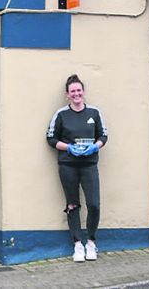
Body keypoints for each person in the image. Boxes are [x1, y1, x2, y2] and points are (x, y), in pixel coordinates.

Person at [46, 74, 108, 263]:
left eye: (79, 90)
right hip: (68, 165)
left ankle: (90, 242)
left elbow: (104, 136)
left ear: (83, 92)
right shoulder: (61, 114)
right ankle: (77, 245)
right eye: (72, 91)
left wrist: (95, 146)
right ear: (67, 94)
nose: (76, 94)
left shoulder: (94, 113)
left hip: (89, 165)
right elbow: (50, 139)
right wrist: (68, 147)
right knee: (72, 204)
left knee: (94, 204)